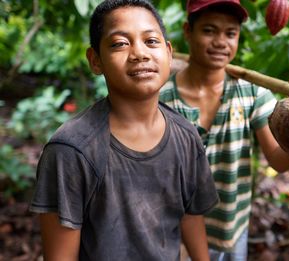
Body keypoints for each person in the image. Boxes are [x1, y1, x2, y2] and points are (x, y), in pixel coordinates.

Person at [29, 0, 218, 260]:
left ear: (169, 53)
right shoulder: (70, 151)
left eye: (151, 41)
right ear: (95, 61)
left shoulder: (186, 136)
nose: (140, 53)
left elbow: (189, 216)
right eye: (119, 43)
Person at [160, 0, 289, 259]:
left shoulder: (252, 95)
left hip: (230, 233)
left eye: (230, 33)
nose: (221, 42)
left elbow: (278, 160)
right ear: (188, 31)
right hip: (173, 234)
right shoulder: (161, 99)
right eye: (209, 30)